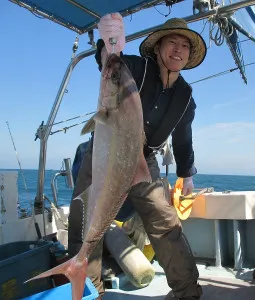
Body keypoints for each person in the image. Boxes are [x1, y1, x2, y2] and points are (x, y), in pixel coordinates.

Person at [68, 13, 207, 300]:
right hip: (105, 151)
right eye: (172, 42)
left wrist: (186, 175)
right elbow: (109, 62)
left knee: (165, 222)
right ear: (158, 47)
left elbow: (183, 139)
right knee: (84, 219)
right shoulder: (136, 67)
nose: (178, 50)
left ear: (189, 55)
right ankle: (88, 291)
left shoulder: (186, 97)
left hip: (146, 159)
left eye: (184, 46)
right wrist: (111, 42)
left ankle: (188, 292)